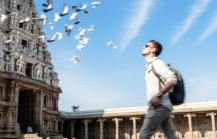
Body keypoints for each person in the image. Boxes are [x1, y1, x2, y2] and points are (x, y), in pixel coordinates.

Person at [139, 40, 179, 139]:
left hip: (159, 106)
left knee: (143, 136)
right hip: (164, 106)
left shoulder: (156, 62)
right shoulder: (150, 65)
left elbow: (172, 79)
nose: (143, 47)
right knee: (171, 136)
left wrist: (158, 95)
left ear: (153, 50)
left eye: (146, 45)